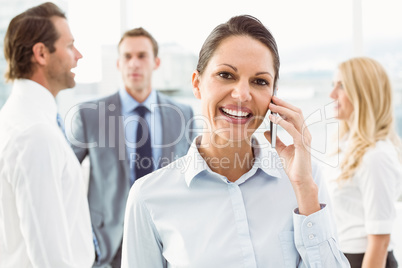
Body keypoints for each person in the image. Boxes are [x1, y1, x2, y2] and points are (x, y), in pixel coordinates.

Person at [121, 15, 350, 267]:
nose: (242, 94)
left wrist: (304, 189)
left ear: (273, 98)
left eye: (260, 81)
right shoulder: (148, 197)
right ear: (197, 84)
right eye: (226, 75)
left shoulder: (305, 178)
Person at [67, 27, 196, 267]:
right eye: (127, 57)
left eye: (142, 56)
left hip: (167, 239)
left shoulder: (182, 114)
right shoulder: (90, 115)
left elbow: (192, 176)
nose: (134, 63)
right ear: (118, 63)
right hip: (108, 245)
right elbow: (63, 176)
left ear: (156, 62)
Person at [0, 2, 95, 267]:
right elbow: (49, 258)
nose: (78, 55)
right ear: (41, 54)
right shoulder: (34, 134)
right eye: (69, 46)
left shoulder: (20, 120)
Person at [327, 57, 402, 268]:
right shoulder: (348, 147)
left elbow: (380, 240)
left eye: (341, 86)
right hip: (346, 257)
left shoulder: (375, 156)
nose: (332, 94)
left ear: (363, 93)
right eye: (333, 85)